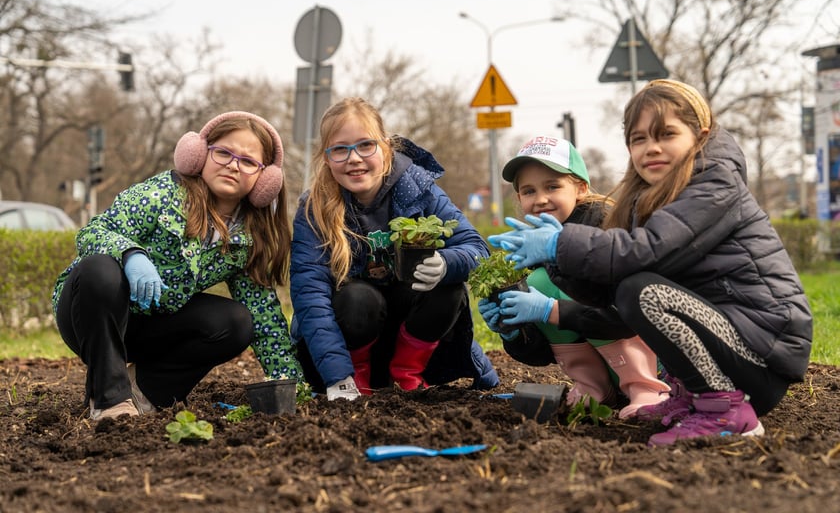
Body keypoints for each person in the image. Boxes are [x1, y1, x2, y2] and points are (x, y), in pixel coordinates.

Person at [489, 80, 812, 445]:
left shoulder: (714, 181)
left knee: (642, 291)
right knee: (632, 290)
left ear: (700, 135)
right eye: (638, 138)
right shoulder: (647, 197)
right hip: (735, 350)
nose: (651, 147)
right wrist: (534, 301)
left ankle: (724, 410)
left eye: (666, 134)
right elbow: (610, 299)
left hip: (764, 352)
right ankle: (691, 397)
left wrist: (558, 246)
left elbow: (646, 250)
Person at [53, 111, 302, 420]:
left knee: (238, 322)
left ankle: (142, 392)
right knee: (99, 270)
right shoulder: (161, 195)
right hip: (91, 314)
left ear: (265, 179)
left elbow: (263, 314)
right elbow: (92, 234)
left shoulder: (248, 237)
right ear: (199, 154)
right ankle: (109, 399)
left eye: (248, 161)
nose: (233, 165)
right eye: (223, 153)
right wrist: (131, 254)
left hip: (153, 329)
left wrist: (292, 384)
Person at [290, 97, 499, 401]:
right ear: (326, 158)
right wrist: (338, 375)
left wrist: (446, 262)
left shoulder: (418, 187)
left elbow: (476, 247)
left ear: (386, 147)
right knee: (358, 297)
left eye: (365, 145)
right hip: (348, 342)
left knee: (449, 288)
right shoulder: (314, 209)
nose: (354, 158)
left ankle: (407, 373)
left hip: (407, 337)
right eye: (340, 149)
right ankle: (357, 381)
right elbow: (309, 294)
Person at [477, 135, 669, 419]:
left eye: (552, 186)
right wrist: (514, 331)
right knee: (540, 282)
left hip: (660, 364)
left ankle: (647, 389)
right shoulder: (534, 246)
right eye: (528, 191)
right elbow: (542, 355)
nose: (540, 199)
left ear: (580, 188)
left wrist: (549, 309)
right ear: (519, 198)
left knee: (562, 280)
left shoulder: (606, 230)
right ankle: (594, 389)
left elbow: (627, 315)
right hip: (612, 371)